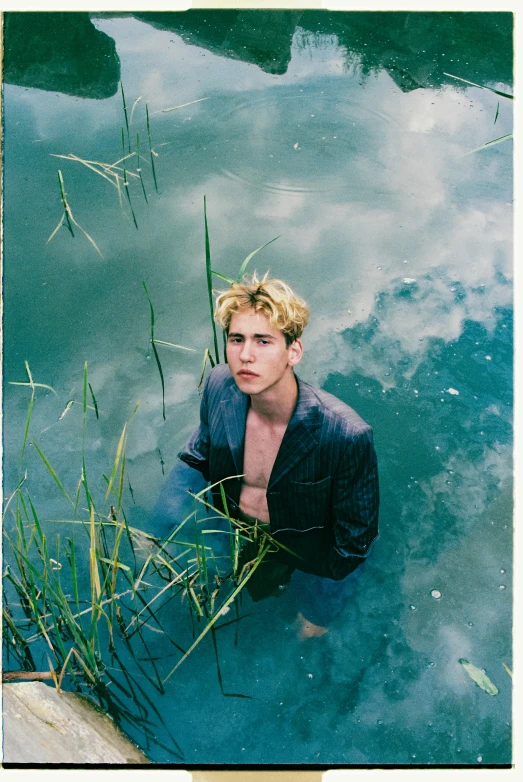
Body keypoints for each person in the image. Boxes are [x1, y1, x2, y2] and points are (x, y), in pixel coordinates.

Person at [154, 273, 379, 638]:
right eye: (236, 340)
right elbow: (196, 457)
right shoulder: (219, 386)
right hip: (232, 529)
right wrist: (159, 527)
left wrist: (321, 612)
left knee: (279, 626)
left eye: (263, 341)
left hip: (302, 549)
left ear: (293, 351)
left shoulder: (344, 435)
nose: (245, 355)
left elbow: (355, 541)